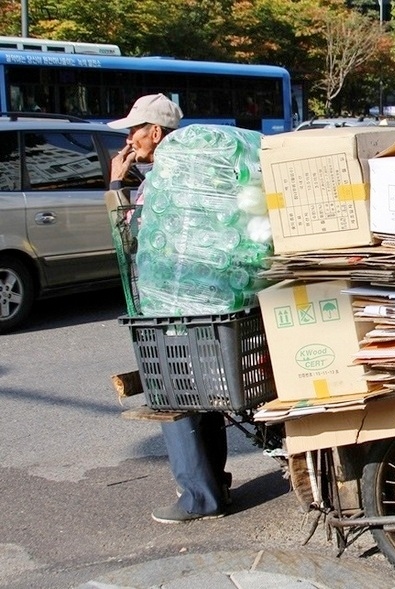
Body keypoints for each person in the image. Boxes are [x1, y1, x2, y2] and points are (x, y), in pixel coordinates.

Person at [108, 94, 232, 524]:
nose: (128, 140)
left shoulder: (160, 182)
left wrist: (115, 186)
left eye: (134, 131)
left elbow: (130, 238)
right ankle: (215, 484)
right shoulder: (200, 171)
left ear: (155, 133)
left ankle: (199, 497)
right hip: (207, 298)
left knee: (173, 394)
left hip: (172, 304)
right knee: (202, 394)